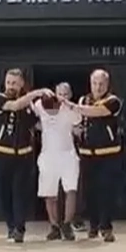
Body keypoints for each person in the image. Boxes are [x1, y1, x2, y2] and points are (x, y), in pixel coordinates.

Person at [0, 68, 53, 243]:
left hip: (23, 156)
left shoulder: (29, 105)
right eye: (8, 82)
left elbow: (37, 124)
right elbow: (15, 106)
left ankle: (19, 228)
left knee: (20, 193)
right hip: (1, 153)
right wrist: (37, 93)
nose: (10, 86)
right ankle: (11, 226)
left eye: (14, 83)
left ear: (21, 84)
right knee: (5, 193)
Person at [59, 69, 122, 243]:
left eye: (101, 84)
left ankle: (106, 227)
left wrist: (71, 105)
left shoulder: (113, 101)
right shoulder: (83, 100)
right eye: (94, 83)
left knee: (106, 191)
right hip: (87, 154)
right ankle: (93, 225)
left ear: (107, 84)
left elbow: (96, 112)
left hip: (108, 153)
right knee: (90, 192)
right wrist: (76, 129)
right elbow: (78, 119)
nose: (98, 87)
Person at [33, 82, 82, 241]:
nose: (62, 97)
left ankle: (67, 225)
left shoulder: (71, 110)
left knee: (71, 190)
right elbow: (32, 113)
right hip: (48, 155)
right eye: (60, 93)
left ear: (70, 95)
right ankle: (54, 226)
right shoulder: (41, 105)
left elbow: (78, 120)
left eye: (66, 94)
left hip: (68, 154)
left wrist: (68, 105)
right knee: (49, 193)